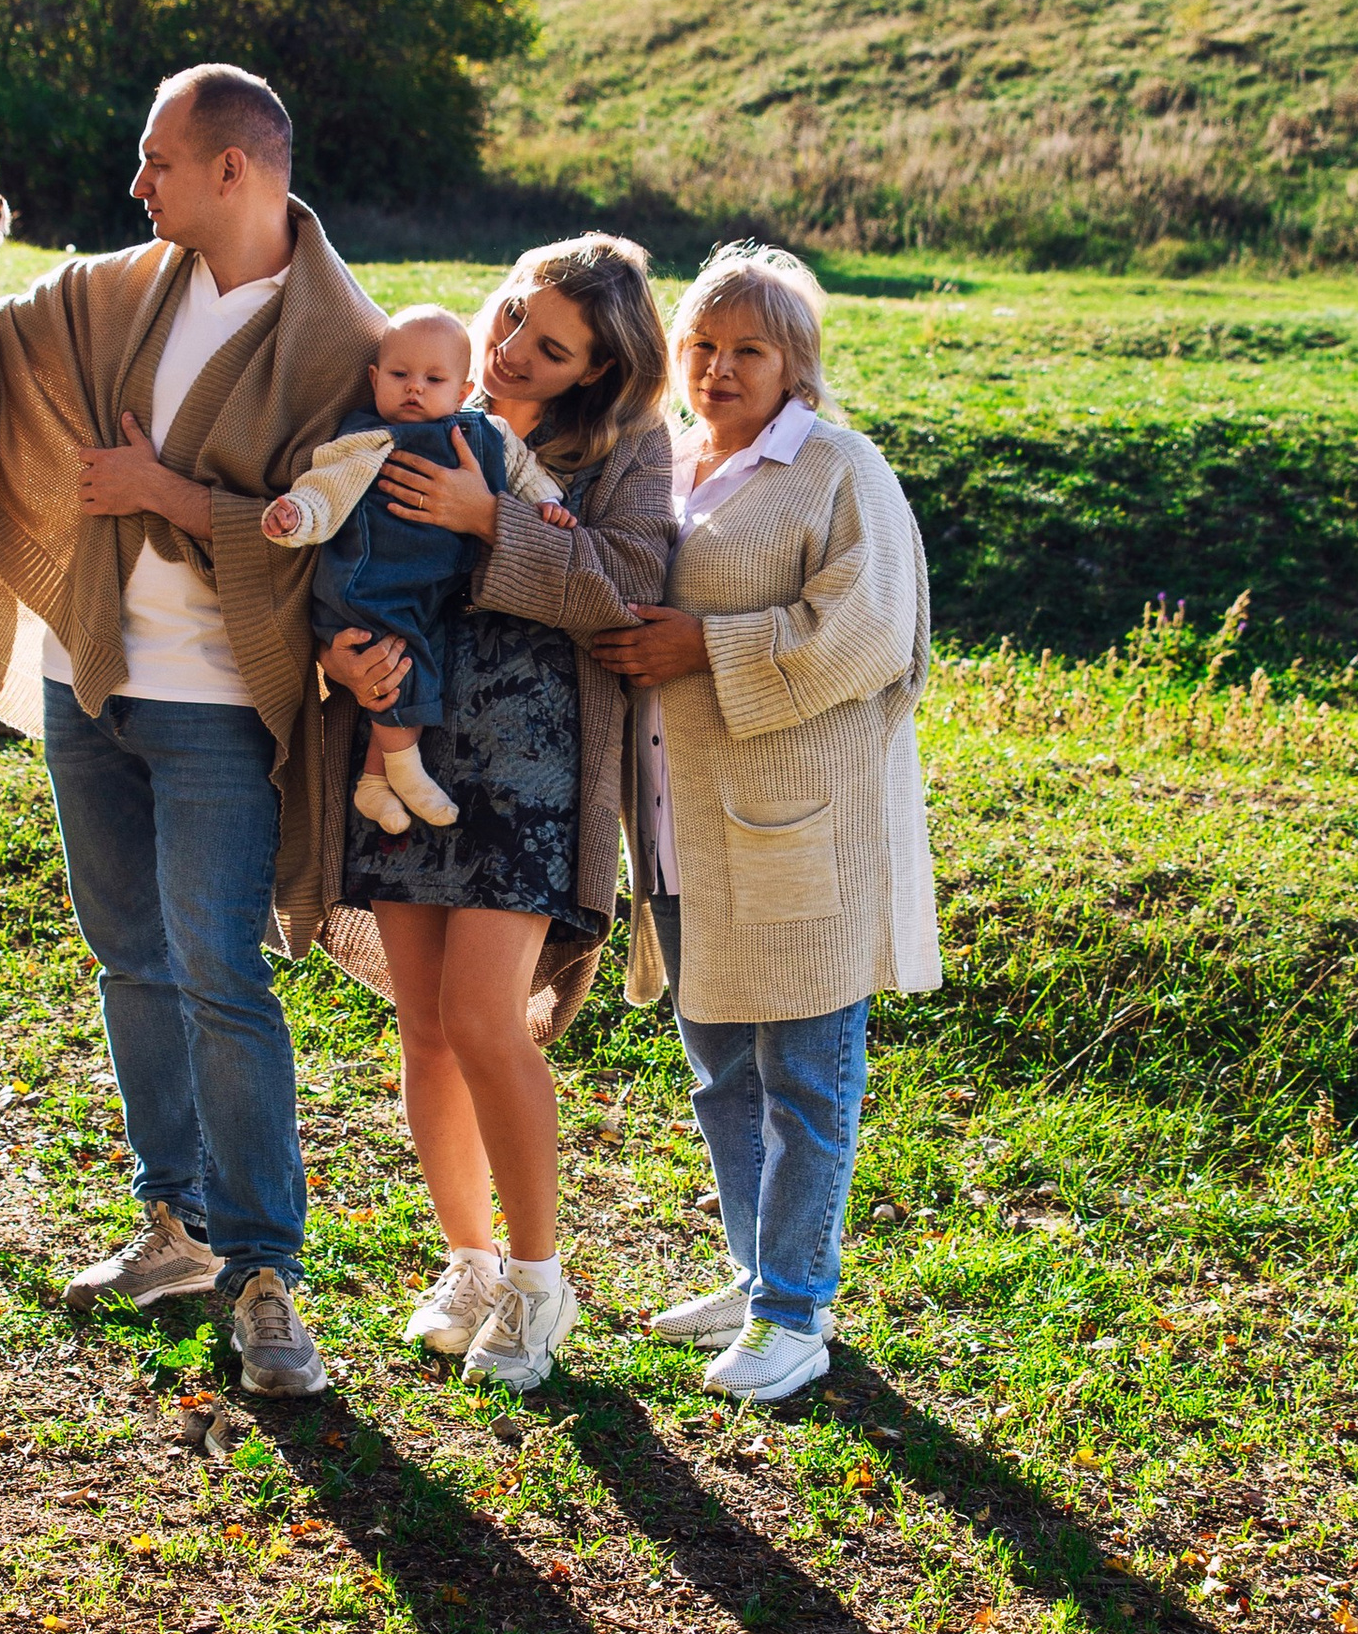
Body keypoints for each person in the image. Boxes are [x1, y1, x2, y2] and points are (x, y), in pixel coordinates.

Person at [0, 65, 381, 1398]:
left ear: (235, 170)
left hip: (218, 698)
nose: (135, 184)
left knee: (220, 968)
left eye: (157, 161)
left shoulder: (341, 344)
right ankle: (178, 1226)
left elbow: (327, 541)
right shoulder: (128, 282)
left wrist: (167, 489)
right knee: (128, 959)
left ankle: (266, 1271)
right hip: (87, 674)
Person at [319, 236, 675, 1393]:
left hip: (535, 762)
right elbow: (332, 549)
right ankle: (467, 1264)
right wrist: (336, 647)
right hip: (409, 747)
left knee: (486, 1020)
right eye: (515, 315)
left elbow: (629, 591)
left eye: (551, 345)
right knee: (422, 1026)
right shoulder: (416, 392)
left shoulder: (626, 450)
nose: (514, 348)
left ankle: (536, 1282)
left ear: (596, 370)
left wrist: (490, 521)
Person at [591, 242, 939, 1407]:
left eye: (750, 347)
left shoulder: (839, 470)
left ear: (796, 363)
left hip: (799, 823)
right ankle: (755, 1275)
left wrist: (704, 645)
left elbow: (869, 633)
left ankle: (796, 1310)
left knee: (803, 1074)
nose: (721, 365)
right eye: (702, 344)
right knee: (719, 1072)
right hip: (680, 824)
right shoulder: (670, 466)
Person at [263, 303, 571, 834]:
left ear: (463, 388)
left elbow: (524, 471)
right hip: (368, 587)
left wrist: (546, 503)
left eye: (433, 379)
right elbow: (326, 488)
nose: (414, 389)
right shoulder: (371, 438)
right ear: (374, 378)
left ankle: (374, 782)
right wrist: (297, 516)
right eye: (400, 375)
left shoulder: (488, 433)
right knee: (397, 666)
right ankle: (405, 770)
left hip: (429, 588)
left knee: (418, 661)